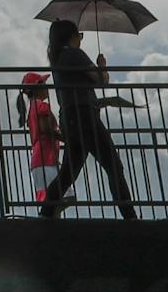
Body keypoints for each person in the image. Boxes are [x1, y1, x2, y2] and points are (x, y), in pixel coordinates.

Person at [40, 18, 138, 220]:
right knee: (113, 165)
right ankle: (130, 217)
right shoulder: (74, 54)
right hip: (84, 115)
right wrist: (102, 65)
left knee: (68, 173)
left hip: (69, 118)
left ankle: (46, 213)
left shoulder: (58, 59)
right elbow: (102, 81)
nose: (81, 40)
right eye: (80, 35)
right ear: (72, 36)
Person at [16, 70, 65, 207]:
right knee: (59, 200)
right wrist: (65, 138)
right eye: (44, 83)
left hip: (42, 160)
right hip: (46, 160)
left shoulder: (33, 107)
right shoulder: (41, 106)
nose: (47, 87)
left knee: (54, 201)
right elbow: (45, 129)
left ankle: (53, 226)